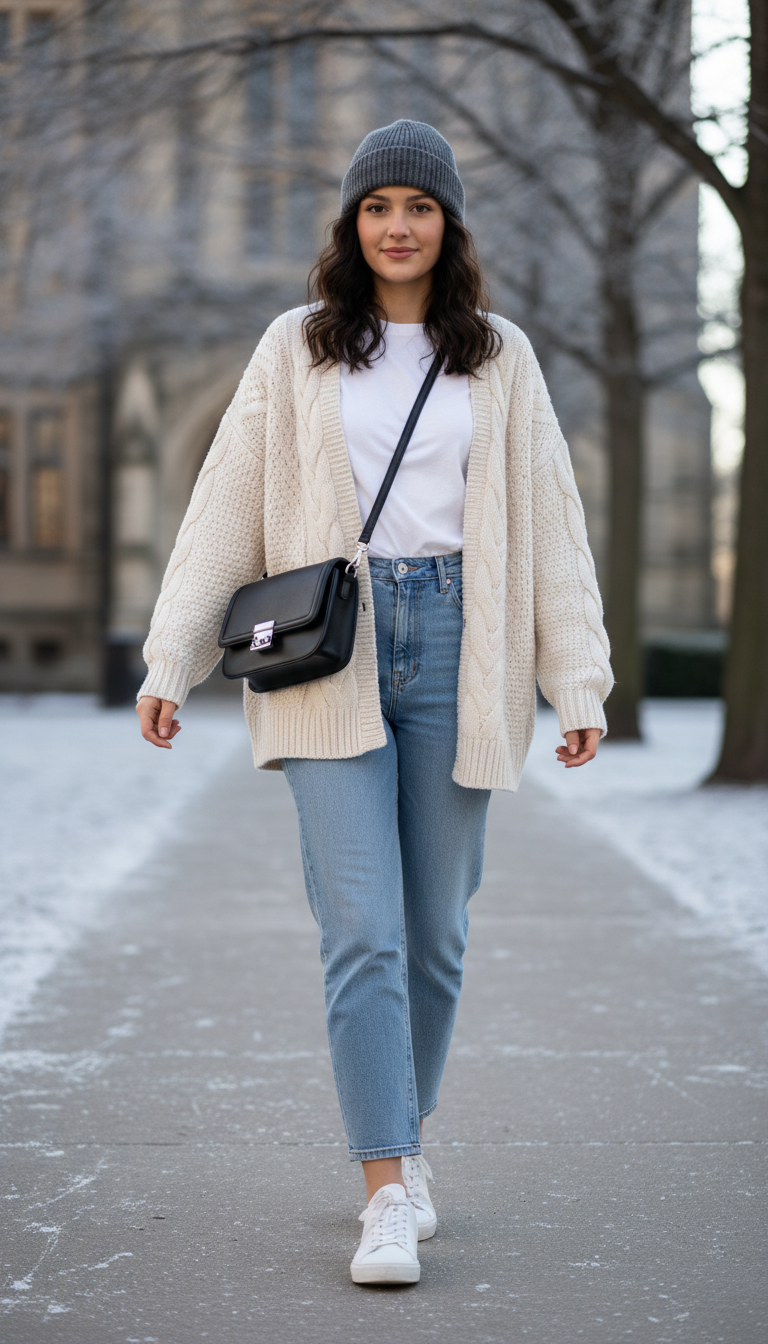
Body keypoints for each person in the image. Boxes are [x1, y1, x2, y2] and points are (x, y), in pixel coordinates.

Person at [136, 119, 613, 1286]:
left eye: (420, 207)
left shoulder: (498, 355)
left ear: (448, 227)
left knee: (436, 942)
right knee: (363, 933)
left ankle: (406, 1131)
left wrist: (578, 675)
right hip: (330, 649)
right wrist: (171, 656)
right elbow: (222, 507)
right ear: (352, 228)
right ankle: (385, 1187)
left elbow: (551, 520)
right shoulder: (295, 349)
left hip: (464, 643)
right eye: (376, 207)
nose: (397, 226)